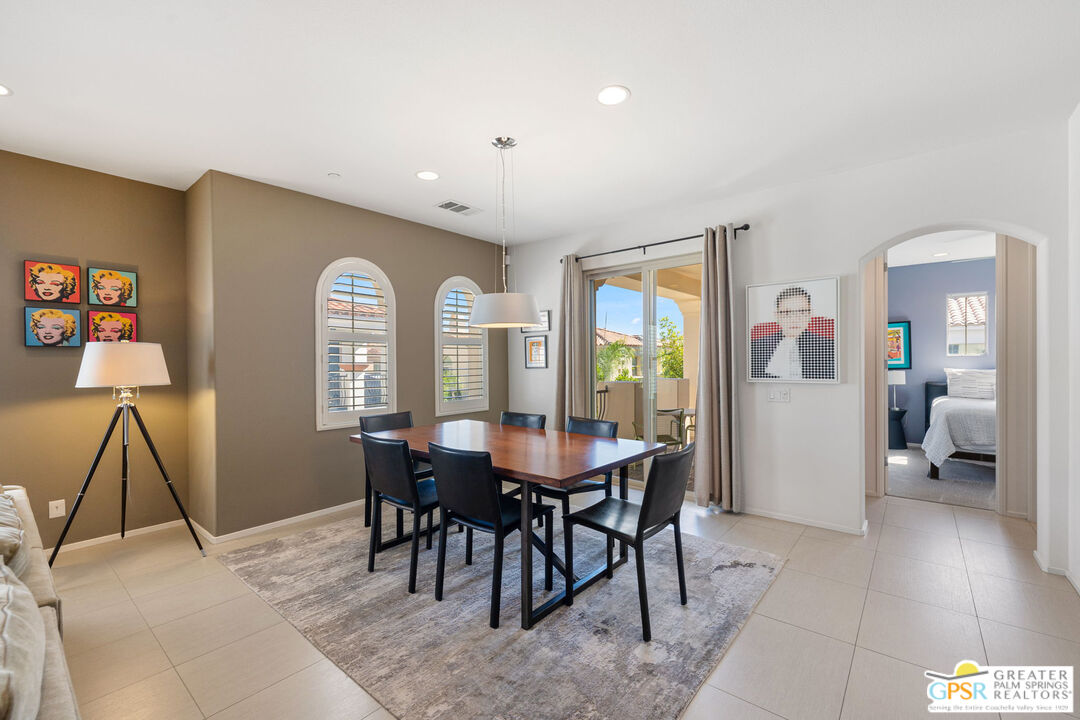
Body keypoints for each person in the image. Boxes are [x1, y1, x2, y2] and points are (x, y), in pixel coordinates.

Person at [750, 286, 835, 380]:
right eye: (787, 312)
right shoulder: (757, 346)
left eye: (802, 312)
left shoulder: (829, 347)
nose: (794, 319)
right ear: (777, 316)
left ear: (810, 314)